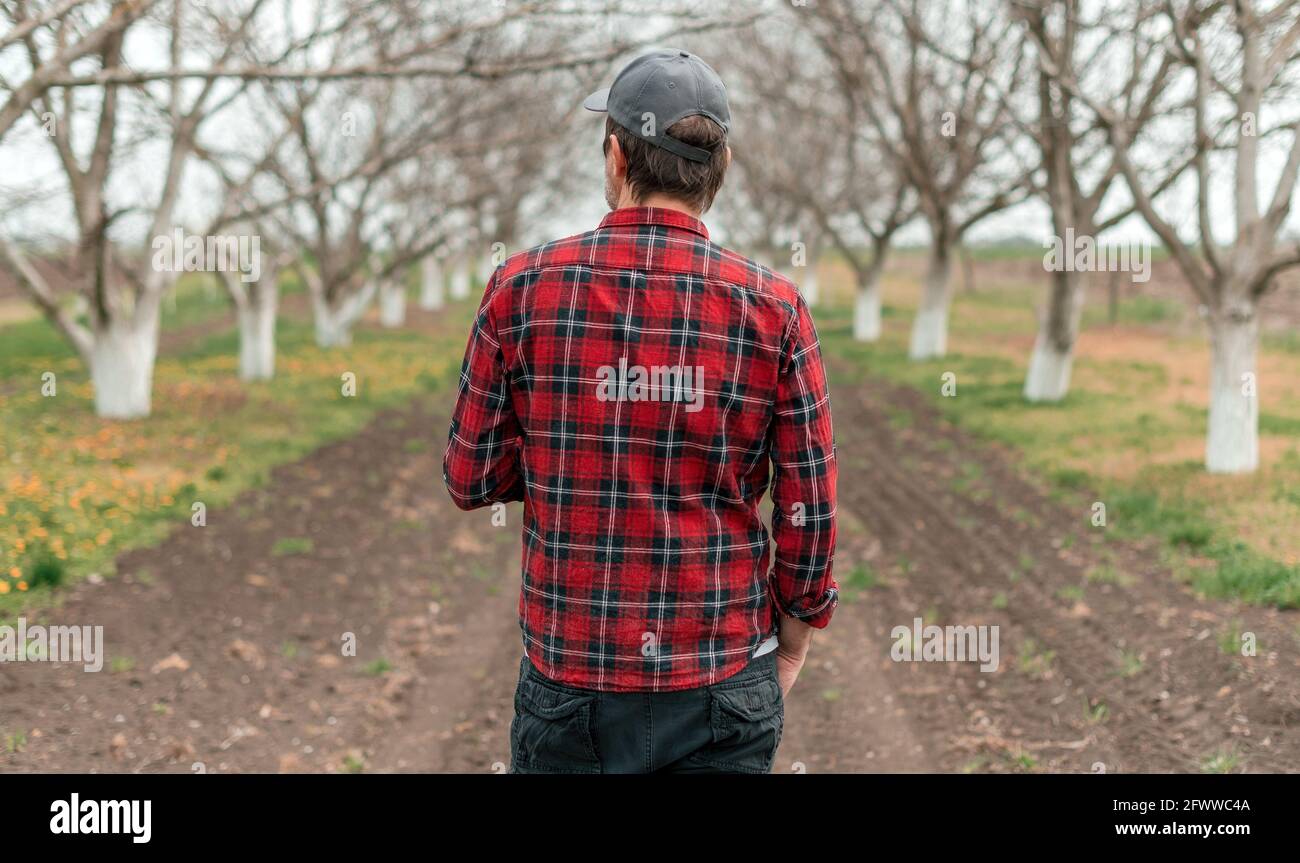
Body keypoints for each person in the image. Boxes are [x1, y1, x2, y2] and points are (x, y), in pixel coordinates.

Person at [442, 49, 838, 774]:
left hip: (572, 682)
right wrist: (798, 634)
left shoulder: (519, 288)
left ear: (617, 157)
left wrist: (567, 459)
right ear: (716, 173)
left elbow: (470, 478)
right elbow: (808, 509)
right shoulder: (776, 308)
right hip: (724, 679)